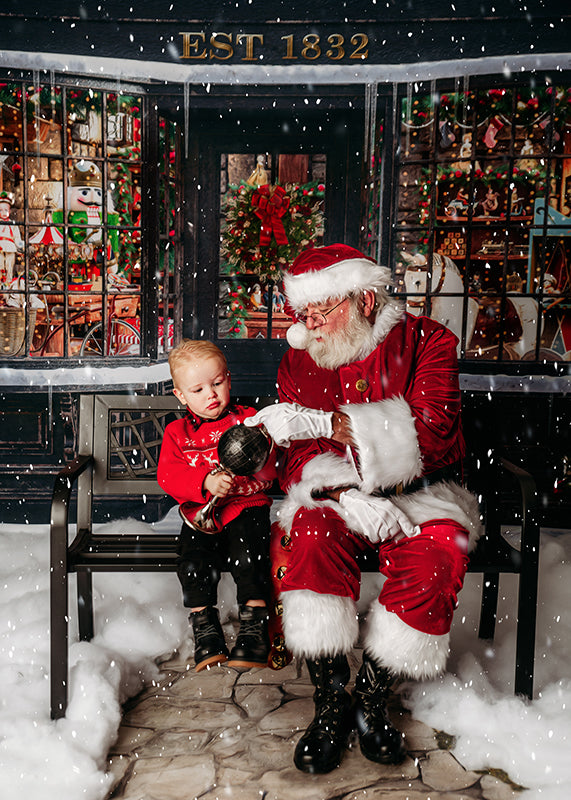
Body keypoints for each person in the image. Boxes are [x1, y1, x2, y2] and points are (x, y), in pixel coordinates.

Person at [244, 244, 482, 774]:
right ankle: (330, 697)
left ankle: (372, 693)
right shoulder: (299, 359)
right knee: (306, 532)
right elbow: (297, 457)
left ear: (365, 299)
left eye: (319, 312)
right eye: (302, 314)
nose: (307, 327)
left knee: (439, 556)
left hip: (424, 491)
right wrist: (341, 494)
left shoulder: (428, 342)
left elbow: (435, 436)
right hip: (340, 495)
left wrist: (330, 424)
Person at [158, 339, 276, 672]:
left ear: (228, 378)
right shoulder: (178, 434)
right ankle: (205, 628)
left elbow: (270, 471)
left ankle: (254, 630)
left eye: (218, 383)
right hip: (201, 516)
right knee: (193, 563)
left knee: (250, 555)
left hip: (246, 505)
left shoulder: (248, 421)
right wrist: (204, 483)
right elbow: (168, 475)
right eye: (197, 389)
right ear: (181, 395)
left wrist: (261, 454)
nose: (211, 394)